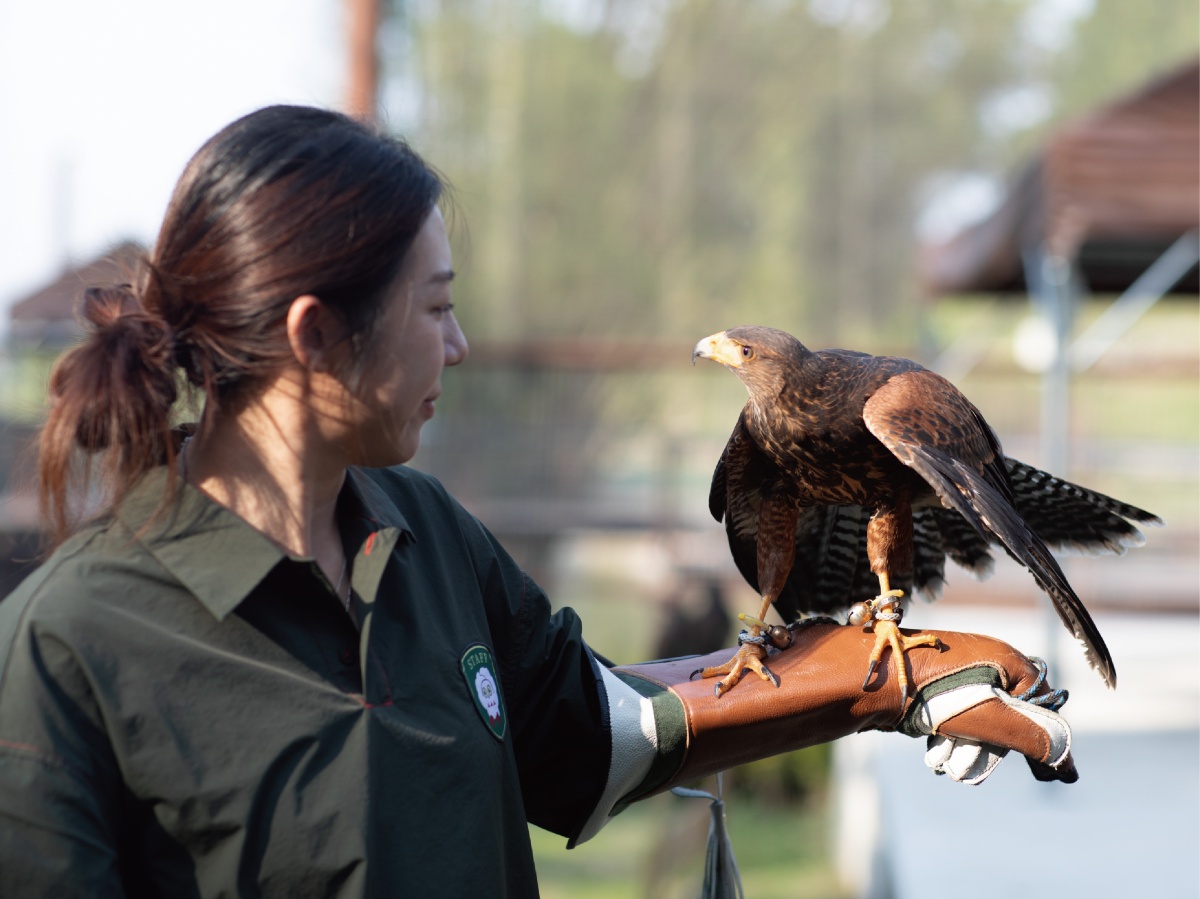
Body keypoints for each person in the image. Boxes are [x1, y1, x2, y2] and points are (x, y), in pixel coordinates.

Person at [0, 106, 1076, 897]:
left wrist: (876, 681)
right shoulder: (68, 648)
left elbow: (596, 732)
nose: (458, 344)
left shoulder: (422, 536)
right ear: (316, 333)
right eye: (437, 306)